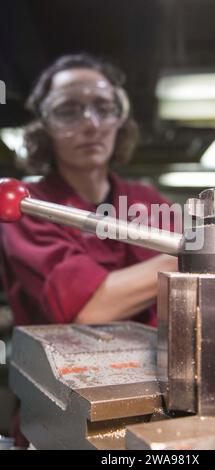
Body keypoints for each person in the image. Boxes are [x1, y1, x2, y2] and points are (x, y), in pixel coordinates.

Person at [0, 53, 178, 328]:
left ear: (119, 120)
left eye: (104, 108)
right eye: (67, 111)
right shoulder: (25, 205)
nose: (91, 125)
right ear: (44, 127)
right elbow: (88, 308)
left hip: (154, 365)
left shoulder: (149, 201)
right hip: (63, 368)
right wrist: (199, 255)